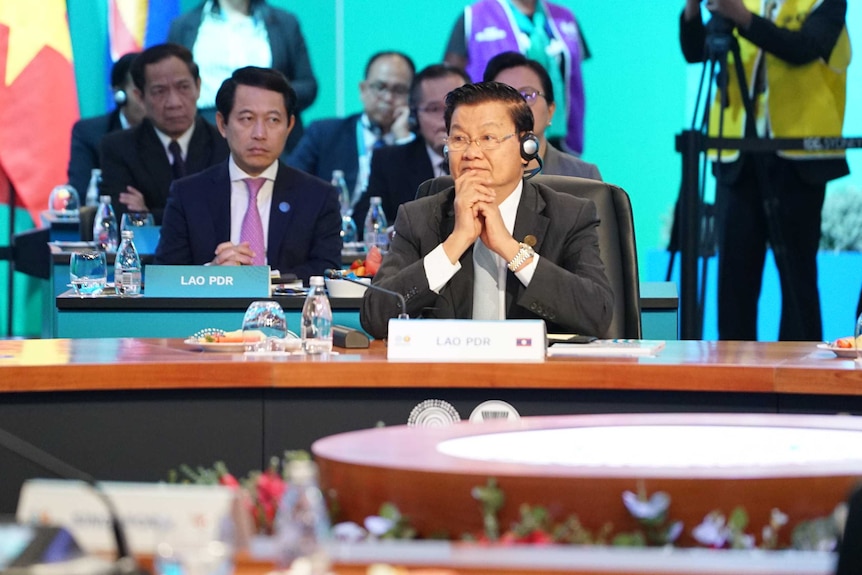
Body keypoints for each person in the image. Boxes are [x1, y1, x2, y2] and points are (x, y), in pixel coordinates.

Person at [360, 82, 613, 340]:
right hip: (449, 375)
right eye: (459, 139)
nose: (471, 153)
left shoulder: (569, 215)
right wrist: (454, 244)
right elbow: (375, 317)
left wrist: (510, 248)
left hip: (539, 376)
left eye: (488, 138)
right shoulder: (420, 218)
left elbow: (597, 315)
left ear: (526, 148)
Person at [680, 0, 850, 341]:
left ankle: (801, 382)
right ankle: (734, 383)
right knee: (733, 285)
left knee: (797, 280)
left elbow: (803, 48)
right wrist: (692, 10)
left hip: (798, 160)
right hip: (738, 158)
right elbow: (697, 50)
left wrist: (741, 16)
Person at [155, 66, 341, 283]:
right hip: (212, 315)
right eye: (247, 119)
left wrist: (263, 279)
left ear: (289, 126)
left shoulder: (318, 196)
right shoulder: (188, 194)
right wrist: (210, 275)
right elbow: (164, 277)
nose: (259, 134)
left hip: (290, 314)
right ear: (222, 124)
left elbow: (328, 270)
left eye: (273, 120)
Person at [100, 43, 229, 224]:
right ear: (140, 97)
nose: (174, 102)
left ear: (198, 87)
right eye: (159, 91)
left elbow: (225, 215)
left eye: (183, 87)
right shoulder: (119, 148)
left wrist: (150, 213)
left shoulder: (225, 145)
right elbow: (125, 219)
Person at [168, 0, 317, 154]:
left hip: (267, 130)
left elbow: (308, 86)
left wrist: (267, 96)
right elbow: (171, 84)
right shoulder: (183, 25)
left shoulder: (284, 22)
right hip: (204, 130)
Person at [444, 0, 589, 155]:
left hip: (559, 140)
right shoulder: (473, 17)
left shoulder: (566, 18)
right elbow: (450, 81)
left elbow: (573, 77)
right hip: (493, 142)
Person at [353, 63, 470, 238]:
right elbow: (366, 223)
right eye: (434, 109)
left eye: (454, 108)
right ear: (414, 116)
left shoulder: (491, 156)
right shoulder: (390, 162)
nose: (445, 119)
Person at [287, 51, 415, 206]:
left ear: (412, 95)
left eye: (399, 90)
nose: (388, 98)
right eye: (380, 87)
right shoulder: (324, 134)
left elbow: (421, 205)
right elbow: (289, 186)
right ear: (363, 89)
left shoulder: (416, 140)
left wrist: (404, 141)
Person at [484, 51, 601, 180]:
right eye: (504, 97)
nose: (517, 106)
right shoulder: (472, 172)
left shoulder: (583, 176)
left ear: (550, 111)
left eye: (527, 96)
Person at [66, 53, 146, 197]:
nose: (151, 99)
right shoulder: (90, 134)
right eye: (140, 91)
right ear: (119, 94)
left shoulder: (174, 131)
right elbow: (81, 193)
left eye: (157, 90)